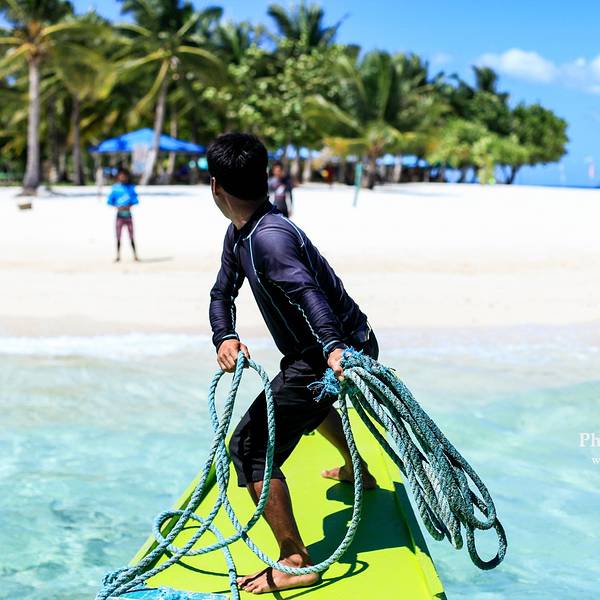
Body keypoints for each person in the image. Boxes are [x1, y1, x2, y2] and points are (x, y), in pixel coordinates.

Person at [207, 133, 378, 594]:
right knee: (305, 404)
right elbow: (222, 293)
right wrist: (225, 335)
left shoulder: (270, 240)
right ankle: (356, 469)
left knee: (249, 447)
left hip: (332, 352)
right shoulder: (242, 232)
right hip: (323, 350)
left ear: (215, 186)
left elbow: (309, 294)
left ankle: (296, 559)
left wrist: (334, 348)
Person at [107, 167, 139, 262]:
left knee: (131, 236)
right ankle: (118, 256)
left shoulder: (131, 187)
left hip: (128, 215)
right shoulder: (115, 188)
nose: (123, 177)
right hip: (119, 215)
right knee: (118, 236)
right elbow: (110, 201)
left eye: (124, 176)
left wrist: (129, 206)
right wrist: (118, 206)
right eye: (121, 176)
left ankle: (135, 255)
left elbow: (135, 200)